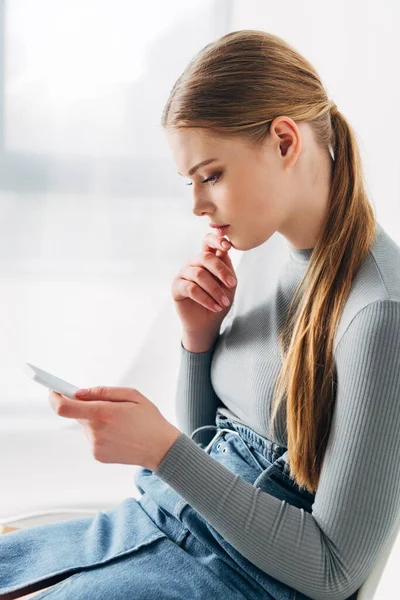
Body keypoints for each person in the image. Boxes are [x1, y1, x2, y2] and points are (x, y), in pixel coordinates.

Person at [1, 29, 399, 600]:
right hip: (162, 524)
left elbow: (332, 572)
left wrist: (161, 449)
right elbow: (210, 446)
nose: (197, 204)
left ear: (285, 141)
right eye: (190, 181)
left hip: (235, 577)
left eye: (211, 175)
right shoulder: (263, 249)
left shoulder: (379, 315)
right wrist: (198, 339)